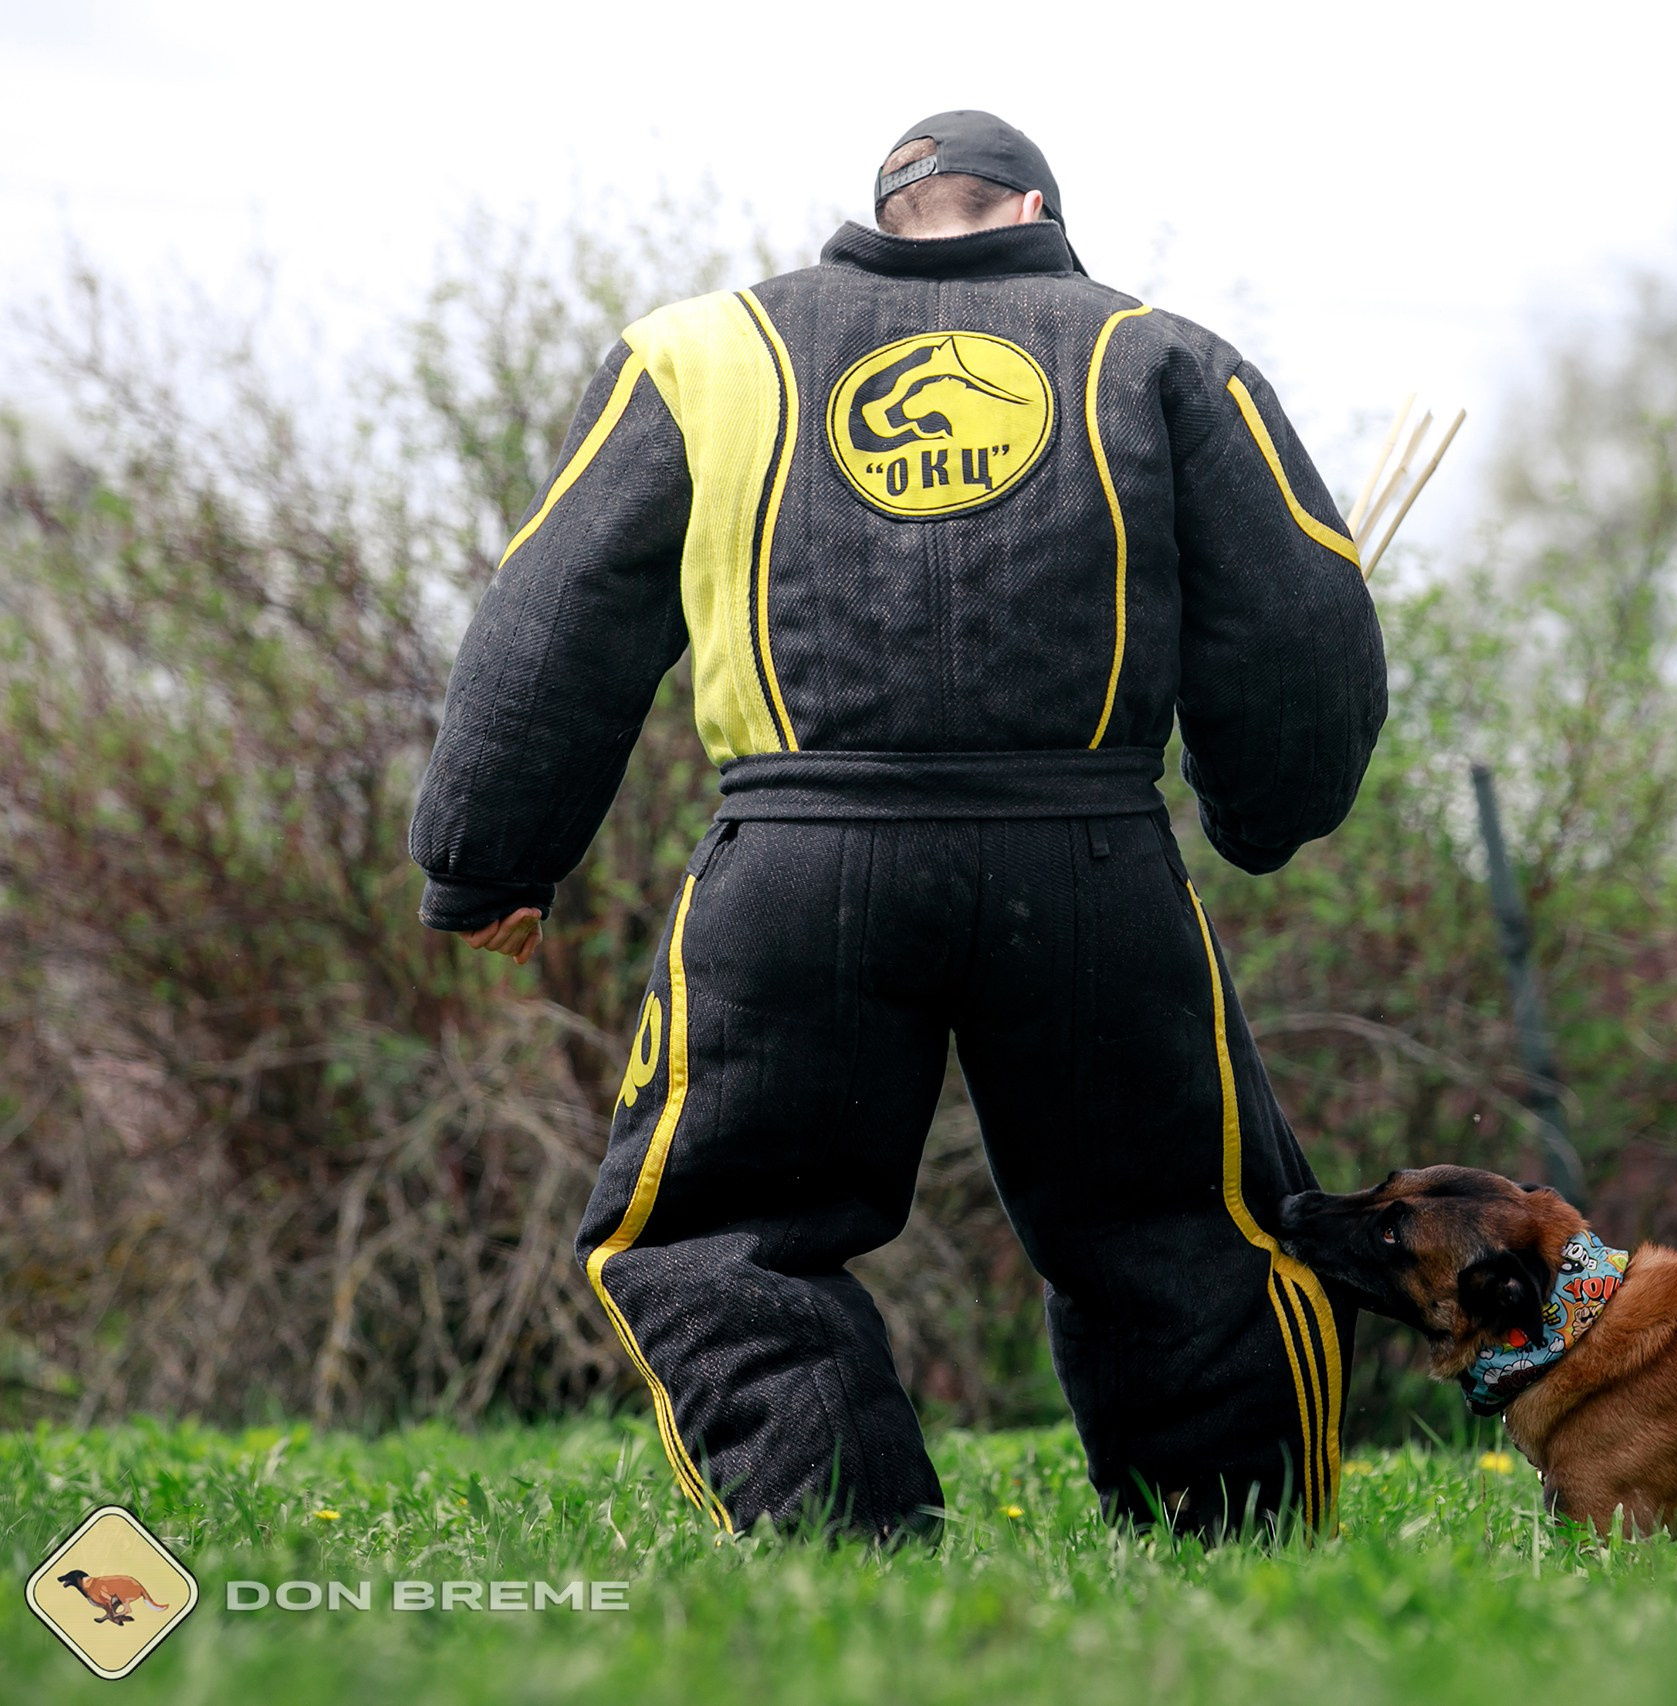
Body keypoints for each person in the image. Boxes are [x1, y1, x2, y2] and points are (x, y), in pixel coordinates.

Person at [408, 110, 1387, 1543]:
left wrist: (487, 854)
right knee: (1181, 1223)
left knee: (714, 1235)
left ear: (881, 214)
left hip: (798, 866)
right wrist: (1264, 810)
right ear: (1038, 207)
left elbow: (555, 611)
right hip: (1095, 863)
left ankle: (842, 1546)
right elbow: (1301, 620)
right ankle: (1231, 1543)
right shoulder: (1160, 354)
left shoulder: (703, 351)